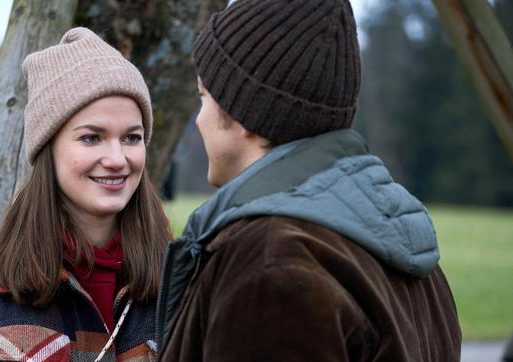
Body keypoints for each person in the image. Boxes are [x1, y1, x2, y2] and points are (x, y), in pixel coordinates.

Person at [156, 0, 462, 361]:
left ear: (245, 114)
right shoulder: (407, 255)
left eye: (203, 97)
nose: (198, 120)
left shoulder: (272, 266)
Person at [0, 27, 170, 361]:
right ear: (48, 148)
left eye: (131, 138)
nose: (117, 159)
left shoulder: (183, 291)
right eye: (91, 137)